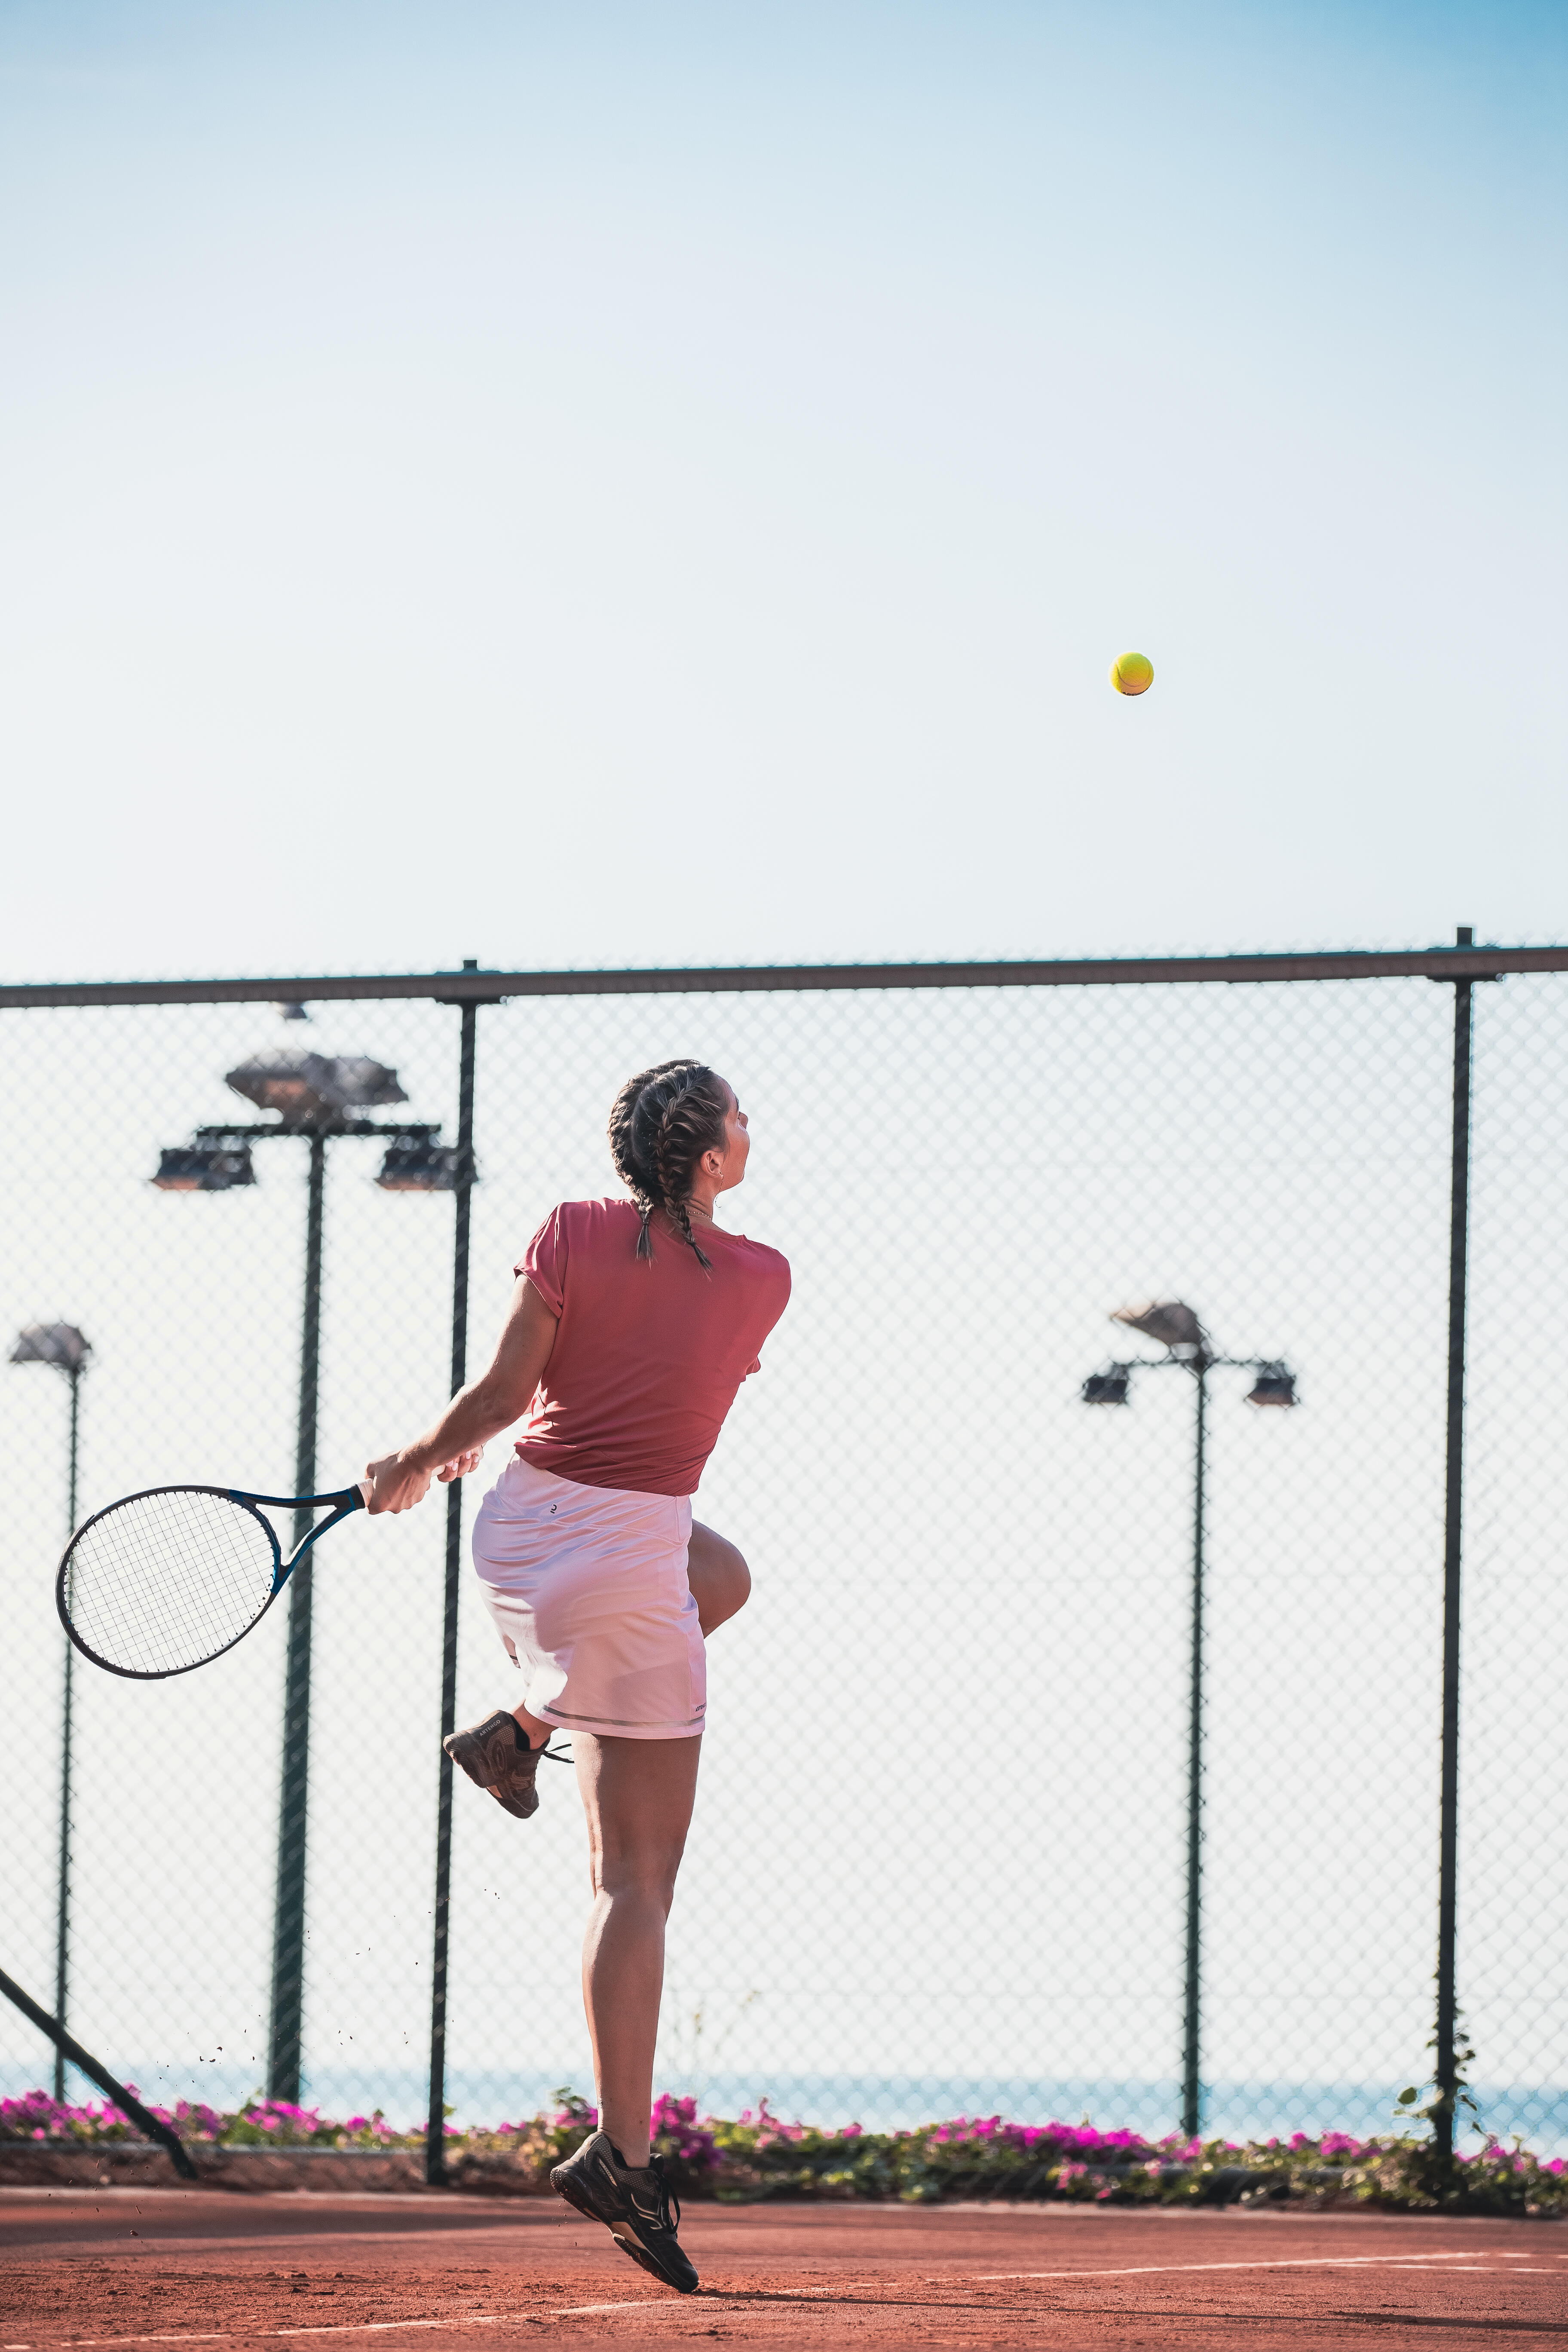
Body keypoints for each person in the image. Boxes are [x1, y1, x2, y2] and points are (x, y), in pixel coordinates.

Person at [364, 1060, 790, 2294]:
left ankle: (520, 1728)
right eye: (741, 1120)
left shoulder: (569, 1228)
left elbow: (506, 1399)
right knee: (636, 1882)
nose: (753, 1132)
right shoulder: (762, 1277)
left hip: (518, 1534)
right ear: (707, 1156)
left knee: (727, 1575)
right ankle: (624, 2152)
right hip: (621, 1553)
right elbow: (658, 1404)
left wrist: (408, 1463)